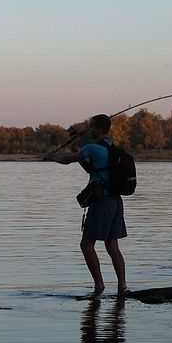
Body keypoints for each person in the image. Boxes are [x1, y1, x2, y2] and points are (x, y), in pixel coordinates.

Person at [45, 114, 128, 295]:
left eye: (92, 127)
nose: (90, 130)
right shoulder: (112, 147)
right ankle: (122, 286)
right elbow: (92, 169)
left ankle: (99, 286)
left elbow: (68, 159)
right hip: (115, 201)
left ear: (98, 129)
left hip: (102, 202)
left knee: (87, 245)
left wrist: (53, 156)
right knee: (112, 245)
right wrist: (77, 148)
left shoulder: (92, 148)